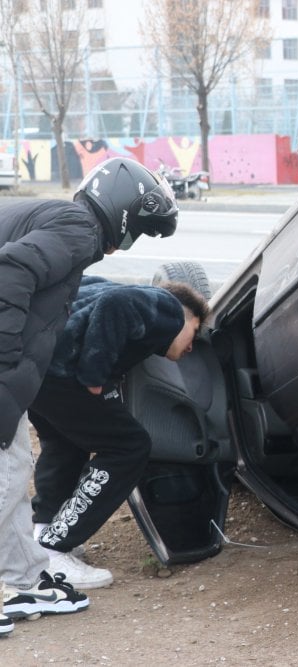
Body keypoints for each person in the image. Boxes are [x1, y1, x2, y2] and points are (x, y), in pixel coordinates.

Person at [0, 157, 178, 631]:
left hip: (22, 375)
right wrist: (4, 362)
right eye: (138, 227)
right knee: (6, 473)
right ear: (122, 210)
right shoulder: (79, 228)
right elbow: (11, 270)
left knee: (14, 469)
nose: (129, 241)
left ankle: (28, 581)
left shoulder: (64, 221)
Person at [27, 277, 210, 589]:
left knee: (64, 447)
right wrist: (95, 375)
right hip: (66, 374)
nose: (191, 346)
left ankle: (43, 535)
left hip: (37, 369)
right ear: (186, 316)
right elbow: (117, 306)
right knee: (130, 447)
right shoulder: (167, 307)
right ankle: (54, 548)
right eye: (195, 330)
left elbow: (77, 286)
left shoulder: (112, 286)